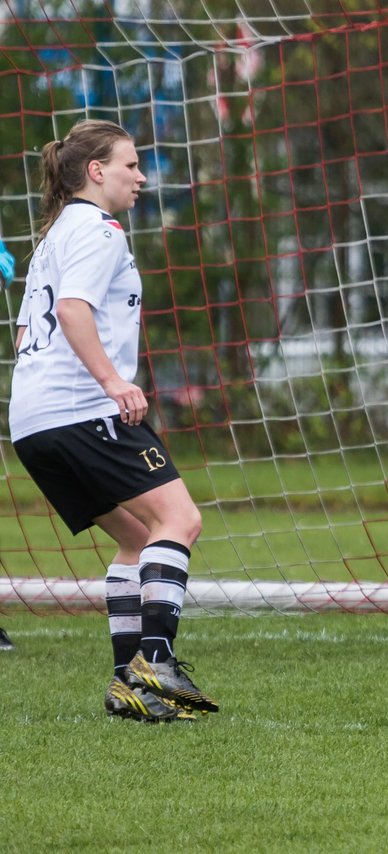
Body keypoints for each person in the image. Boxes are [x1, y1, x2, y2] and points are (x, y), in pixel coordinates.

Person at [9, 119, 218, 722]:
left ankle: (128, 684)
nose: (142, 176)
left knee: (134, 538)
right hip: (83, 410)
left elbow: (28, 329)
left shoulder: (50, 238)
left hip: (33, 422)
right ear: (96, 172)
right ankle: (155, 661)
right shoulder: (100, 230)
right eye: (131, 164)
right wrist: (112, 382)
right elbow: (73, 310)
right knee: (179, 518)